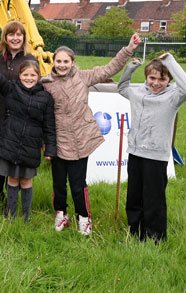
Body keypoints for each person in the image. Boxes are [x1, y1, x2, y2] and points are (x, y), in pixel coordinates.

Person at [42, 33, 141, 235]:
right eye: (58, 61)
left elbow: (110, 68)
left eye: (65, 61)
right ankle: (61, 214)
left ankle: (84, 218)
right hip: (58, 140)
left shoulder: (84, 77)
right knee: (58, 183)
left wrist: (128, 49)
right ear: (53, 62)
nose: (62, 65)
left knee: (78, 185)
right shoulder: (46, 83)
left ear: (72, 62)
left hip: (81, 139)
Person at [118, 53, 186, 242]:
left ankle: (154, 237)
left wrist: (169, 61)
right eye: (152, 78)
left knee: (153, 199)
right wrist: (131, 67)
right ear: (146, 77)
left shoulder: (173, 97)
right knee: (134, 196)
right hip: (135, 152)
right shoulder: (137, 92)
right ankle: (135, 231)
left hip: (156, 157)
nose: (156, 83)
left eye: (162, 79)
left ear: (169, 80)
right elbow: (122, 87)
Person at [0, 53, 56, 221]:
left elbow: (49, 125)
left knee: (25, 181)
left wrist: (50, 148)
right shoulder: (11, 89)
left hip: (31, 146)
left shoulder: (46, 98)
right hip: (10, 143)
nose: (29, 78)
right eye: (25, 75)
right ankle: (10, 214)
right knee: (12, 179)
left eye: (33, 75)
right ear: (19, 75)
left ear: (39, 77)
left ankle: (25, 217)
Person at [0, 21, 37, 208]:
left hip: (18, 122)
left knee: (14, 162)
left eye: (19, 35)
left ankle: (14, 203)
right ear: (5, 37)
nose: (15, 38)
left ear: (24, 37)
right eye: (11, 34)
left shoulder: (30, 60)